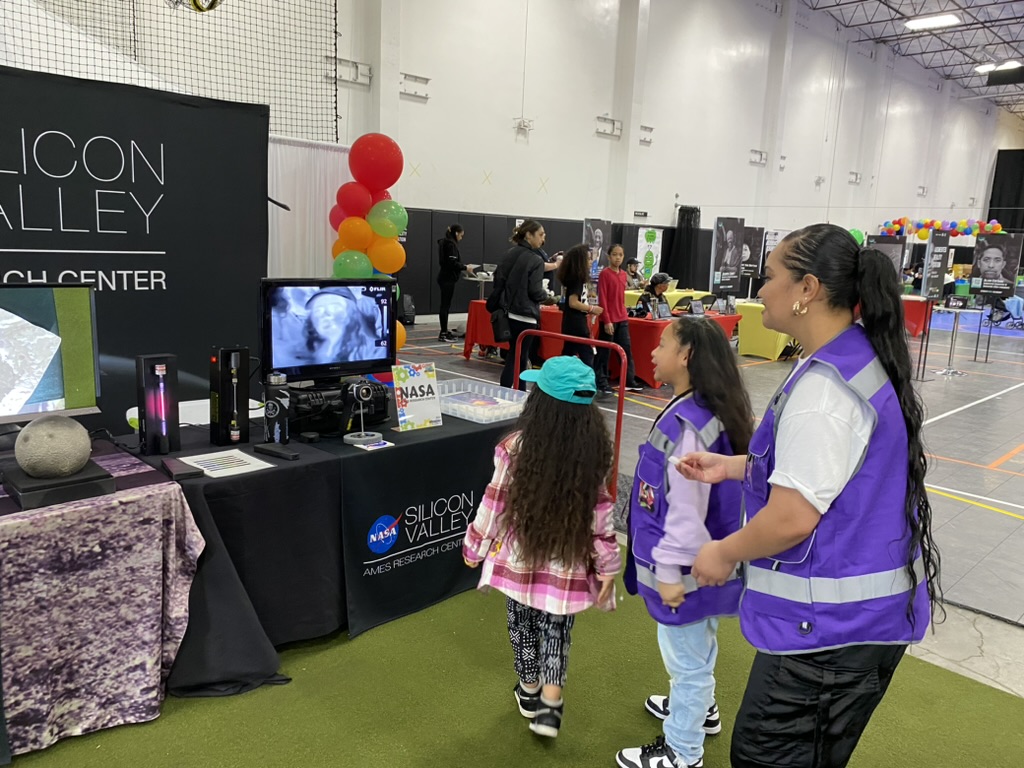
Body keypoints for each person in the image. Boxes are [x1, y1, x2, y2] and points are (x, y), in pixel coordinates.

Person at [679, 223, 943, 768]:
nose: (760, 290)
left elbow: (793, 518)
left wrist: (721, 553)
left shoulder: (825, 389)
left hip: (830, 637)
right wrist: (733, 467)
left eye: (771, 276)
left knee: (764, 757)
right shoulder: (845, 359)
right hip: (847, 630)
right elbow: (826, 472)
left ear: (808, 290)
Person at [615, 317, 753, 768]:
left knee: (687, 662)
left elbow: (686, 513)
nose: (652, 353)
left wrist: (671, 574)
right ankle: (701, 711)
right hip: (700, 571)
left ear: (686, 355)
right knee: (696, 650)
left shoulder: (690, 424)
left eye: (662, 344)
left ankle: (682, 750)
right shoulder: (699, 410)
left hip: (689, 574)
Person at [462, 356, 620, 740]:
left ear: (540, 404)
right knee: (557, 630)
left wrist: (474, 546)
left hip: (520, 557)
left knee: (521, 622)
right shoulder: (595, 451)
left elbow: (493, 503)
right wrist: (608, 565)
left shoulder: (516, 447)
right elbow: (601, 514)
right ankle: (551, 701)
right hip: (567, 562)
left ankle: (528, 690)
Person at [487, 220, 554, 390]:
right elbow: (535, 292)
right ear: (528, 235)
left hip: (506, 314)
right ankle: (519, 393)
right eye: (540, 234)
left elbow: (498, 282)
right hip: (525, 316)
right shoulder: (536, 260)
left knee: (514, 356)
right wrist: (549, 297)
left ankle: (507, 392)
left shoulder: (508, 254)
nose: (543, 239)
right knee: (521, 359)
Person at [595, 244, 642, 394]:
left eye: (620, 255)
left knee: (625, 350)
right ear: (609, 256)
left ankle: (629, 379)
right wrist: (607, 320)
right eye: (614, 254)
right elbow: (602, 298)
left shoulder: (623, 275)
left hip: (622, 318)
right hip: (609, 319)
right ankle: (601, 381)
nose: (617, 258)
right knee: (605, 353)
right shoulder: (605, 274)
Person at [304, 287, 384, 363]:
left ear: (352, 313)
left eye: (334, 307)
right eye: (318, 311)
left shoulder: (374, 351)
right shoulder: (308, 353)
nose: (325, 314)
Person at [556, 244, 603, 366]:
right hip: (576, 323)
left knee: (568, 354)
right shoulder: (577, 279)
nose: (591, 261)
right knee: (587, 355)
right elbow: (573, 302)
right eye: (588, 258)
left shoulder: (576, 278)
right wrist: (592, 308)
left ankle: (562, 379)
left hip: (572, 322)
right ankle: (587, 382)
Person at [436, 224, 474, 343]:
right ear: (456, 233)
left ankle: (444, 331)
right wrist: (465, 267)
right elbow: (451, 263)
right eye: (461, 235)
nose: (461, 238)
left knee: (445, 305)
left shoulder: (445, 242)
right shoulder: (450, 244)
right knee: (445, 306)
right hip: (447, 278)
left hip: (445, 277)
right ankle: (443, 333)